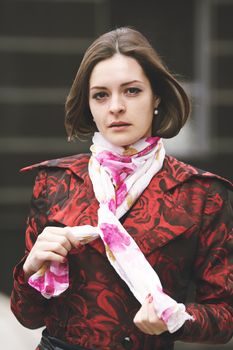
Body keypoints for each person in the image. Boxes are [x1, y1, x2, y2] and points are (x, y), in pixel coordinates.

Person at [11, 27, 233, 350]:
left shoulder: (201, 195)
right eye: (101, 94)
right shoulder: (54, 182)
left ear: (155, 96)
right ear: (89, 104)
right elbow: (27, 315)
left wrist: (175, 317)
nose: (115, 106)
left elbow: (225, 316)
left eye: (131, 91)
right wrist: (30, 268)